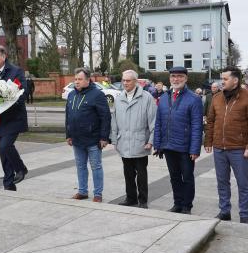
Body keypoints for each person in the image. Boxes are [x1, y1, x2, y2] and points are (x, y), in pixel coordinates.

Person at [153, 66, 203, 214]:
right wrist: (158, 144)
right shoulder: (163, 98)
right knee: (174, 177)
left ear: (186, 79)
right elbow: (159, 122)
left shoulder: (194, 99)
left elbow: (196, 126)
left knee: (187, 178)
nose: (176, 79)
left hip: (185, 147)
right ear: (169, 79)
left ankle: (187, 206)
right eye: (173, 76)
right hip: (168, 146)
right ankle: (177, 203)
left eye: (180, 76)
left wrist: (195, 149)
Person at [204, 66, 248, 224]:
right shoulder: (217, 98)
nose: (221, 82)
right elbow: (210, 121)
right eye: (221, 79)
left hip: (239, 149)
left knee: (244, 183)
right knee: (222, 181)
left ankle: (245, 215)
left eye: (225, 79)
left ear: (235, 80)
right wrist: (208, 141)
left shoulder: (246, 96)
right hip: (219, 148)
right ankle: (224, 211)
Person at [111, 70, 157, 208]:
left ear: (136, 82)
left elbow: (153, 121)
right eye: (123, 80)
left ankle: (143, 201)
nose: (125, 83)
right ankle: (131, 198)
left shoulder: (146, 97)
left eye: (128, 80)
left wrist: (151, 141)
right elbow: (114, 121)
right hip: (124, 142)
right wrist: (114, 139)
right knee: (128, 173)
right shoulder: (119, 98)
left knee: (141, 174)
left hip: (140, 143)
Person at [65, 67, 111, 202]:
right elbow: (68, 116)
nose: (76, 82)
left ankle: (97, 194)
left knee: (96, 166)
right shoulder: (71, 95)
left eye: (80, 79)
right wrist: (68, 134)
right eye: (75, 79)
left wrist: (104, 137)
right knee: (80, 166)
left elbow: (105, 117)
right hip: (77, 139)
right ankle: (83, 191)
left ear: (87, 80)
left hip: (93, 139)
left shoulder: (97, 95)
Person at [0, 45, 28, 191]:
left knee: (5, 146)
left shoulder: (16, 71)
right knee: (3, 152)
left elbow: (24, 92)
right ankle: (8, 184)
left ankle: (21, 168)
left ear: (3, 57)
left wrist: (8, 99)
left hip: (15, 117)